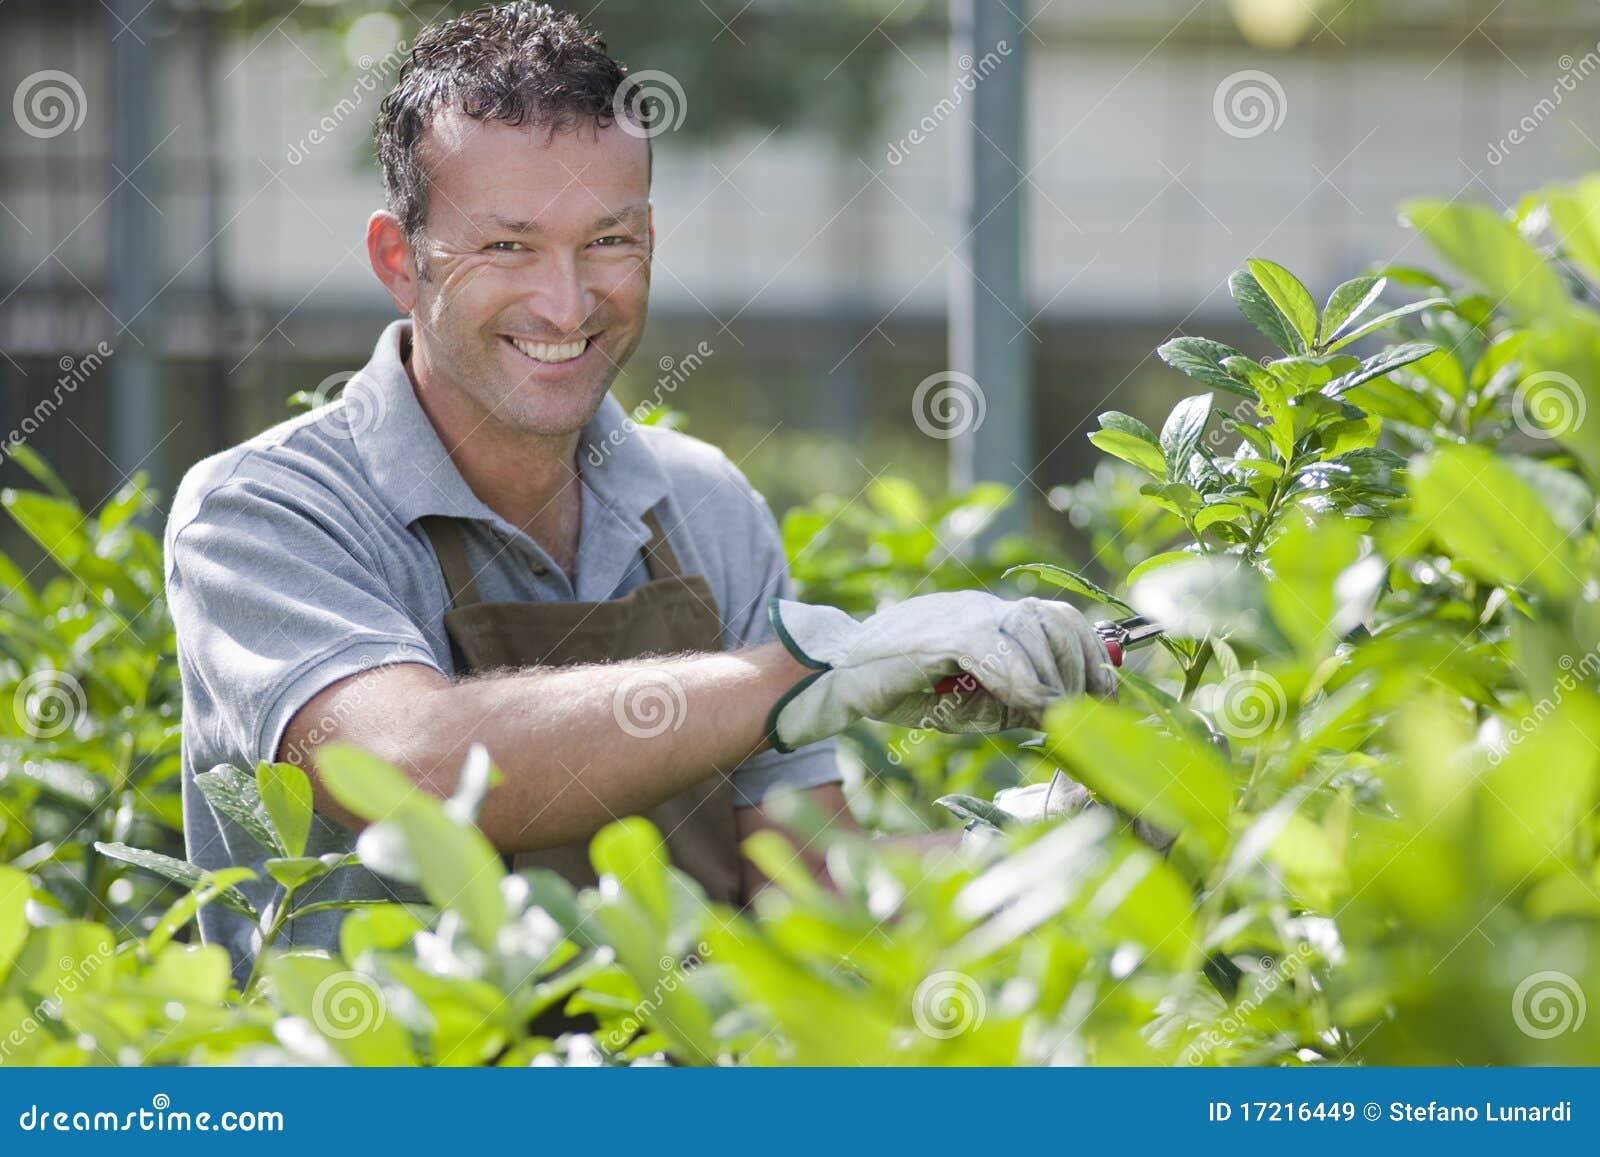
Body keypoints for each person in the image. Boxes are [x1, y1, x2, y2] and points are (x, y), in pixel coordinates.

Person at [165, 1, 1115, 979]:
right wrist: (814, 668)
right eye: (508, 247)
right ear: (400, 261)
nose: (566, 303)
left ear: (650, 239)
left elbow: (812, 890)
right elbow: (407, 767)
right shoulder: (262, 509)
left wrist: (1067, 845)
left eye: (607, 240)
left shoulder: (707, 506)